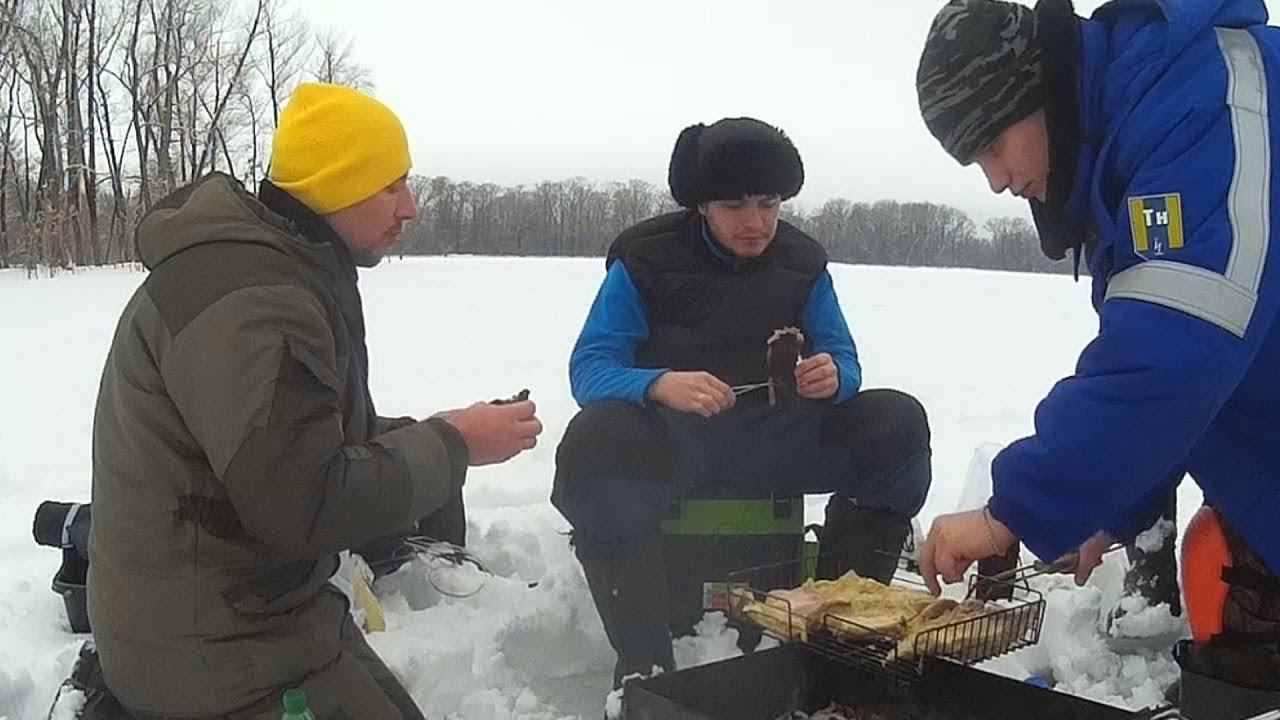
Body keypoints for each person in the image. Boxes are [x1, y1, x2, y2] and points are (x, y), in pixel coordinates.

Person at [88, 82, 542, 719]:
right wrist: (454, 444)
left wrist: (443, 430)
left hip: (259, 610)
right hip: (207, 650)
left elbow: (305, 437)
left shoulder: (280, 268)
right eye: (390, 186)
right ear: (335, 184)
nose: (410, 207)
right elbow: (305, 503)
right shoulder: (256, 302)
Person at [913, 1, 1280, 715]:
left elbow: (1178, 348)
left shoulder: (1203, 106)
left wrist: (1012, 510)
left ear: (1040, 93)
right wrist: (1116, 506)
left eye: (991, 145)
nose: (996, 180)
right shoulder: (1135, 140)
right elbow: (1185, 371)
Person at [551, 117, 933, 685]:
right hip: (674, 442)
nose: (756, 222)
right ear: (702, 205)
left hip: (778, 437)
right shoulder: (645, 258)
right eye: (734, 205)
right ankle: (644, 666)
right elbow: (591, 366)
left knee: (897, 424)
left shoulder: (803, 263)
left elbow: (843, 356)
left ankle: (839, 638)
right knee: (595, 442)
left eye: (768, 204)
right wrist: (657, 384)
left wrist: (835, 377)